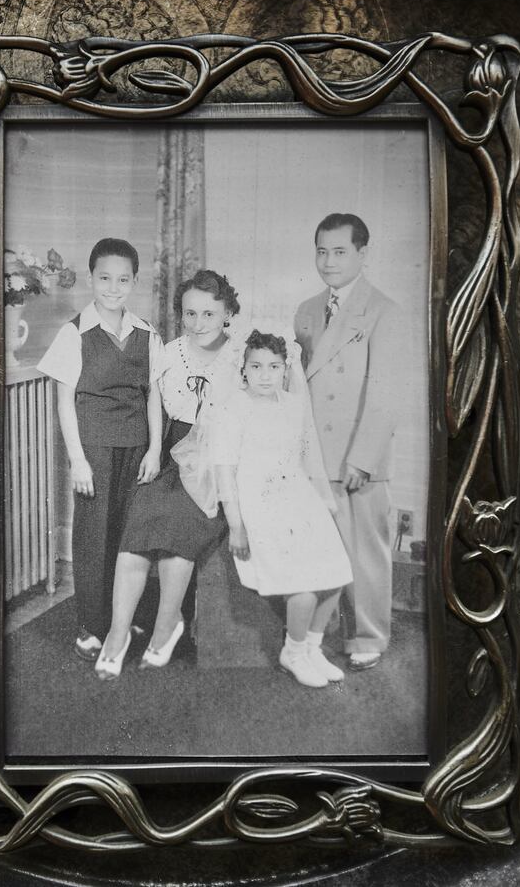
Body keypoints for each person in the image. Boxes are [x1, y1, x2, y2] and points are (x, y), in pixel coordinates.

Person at [95, 269, 241, 680]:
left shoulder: (241, 357)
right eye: (189, 314)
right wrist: (155, 452)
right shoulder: (170, 351)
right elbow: (157, 400)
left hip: (218, 462)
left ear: (227, 312)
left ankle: (166, 627)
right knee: (138, 523)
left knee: (179, 531)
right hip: (173, 453)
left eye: (209, 315)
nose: (198, 324)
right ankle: (117, 635)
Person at [38, 237, 165, 660]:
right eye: (105, 278)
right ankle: (92, 626)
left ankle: (130, 616)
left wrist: (154, 450)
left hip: (137, 449)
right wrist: (77, 459)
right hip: (93, 450)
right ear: (91, 278)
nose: (114, 287)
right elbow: (63, 401)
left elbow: (153, 397)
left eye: (123, 279)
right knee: (94, 538)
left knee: (133, 534)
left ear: (134, 282)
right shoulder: (74, 333)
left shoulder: (147, 333)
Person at [211, 330, 352, 688]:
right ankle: (292, 651)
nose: (265, 374)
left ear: (285, 368)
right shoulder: (232, 409)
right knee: (304, 585)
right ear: (243, 369)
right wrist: (237, 525)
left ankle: (312, 648)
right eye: (256, 366)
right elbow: (225, 470)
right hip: (259, 505)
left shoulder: (292, 406)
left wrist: (321, 502)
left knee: (337, 575)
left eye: (274, 366)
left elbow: (306, 458)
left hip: (297, 497)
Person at [294, 213, 398, 671]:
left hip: (357, 454)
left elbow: (385, 394)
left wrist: (364, 458)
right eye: (321, 251)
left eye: (339, 251)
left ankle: (369, 635)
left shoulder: (383, 311)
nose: (328, 261)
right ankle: (316, 631)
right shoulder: (306, 310)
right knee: (320, 549)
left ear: (362, 254)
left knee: (364, 553)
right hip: (314, 453)